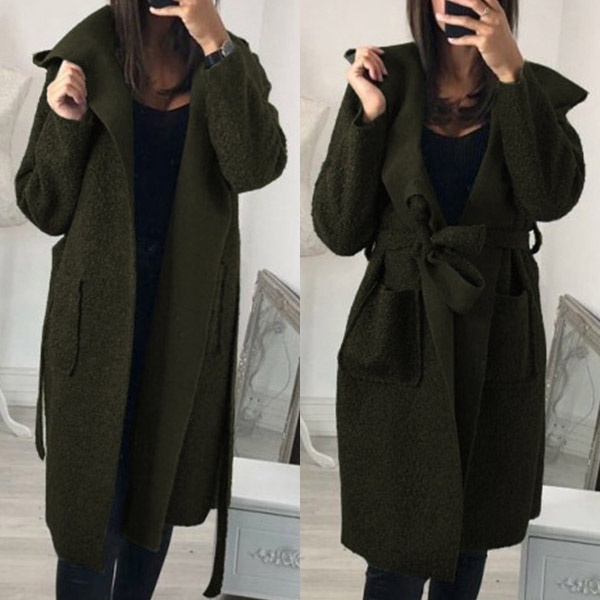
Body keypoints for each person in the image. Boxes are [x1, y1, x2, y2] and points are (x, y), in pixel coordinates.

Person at [311, 0, 588, 599]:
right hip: (399, 326)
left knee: (471, 533)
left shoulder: (533, 87)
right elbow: (338, 229)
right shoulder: (383, 77)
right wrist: (370, 115)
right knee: (393, 546)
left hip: (496, 326)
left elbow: (550, 198)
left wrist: (511, 73)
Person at [15, 1, 287, 599]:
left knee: (157, 495)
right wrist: (64, 122)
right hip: (96, 318)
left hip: (188, 314)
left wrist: (216, 45)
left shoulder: (231, 58)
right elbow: (44, 207)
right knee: (89, 515)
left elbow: (256, 167)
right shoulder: (84, 53)